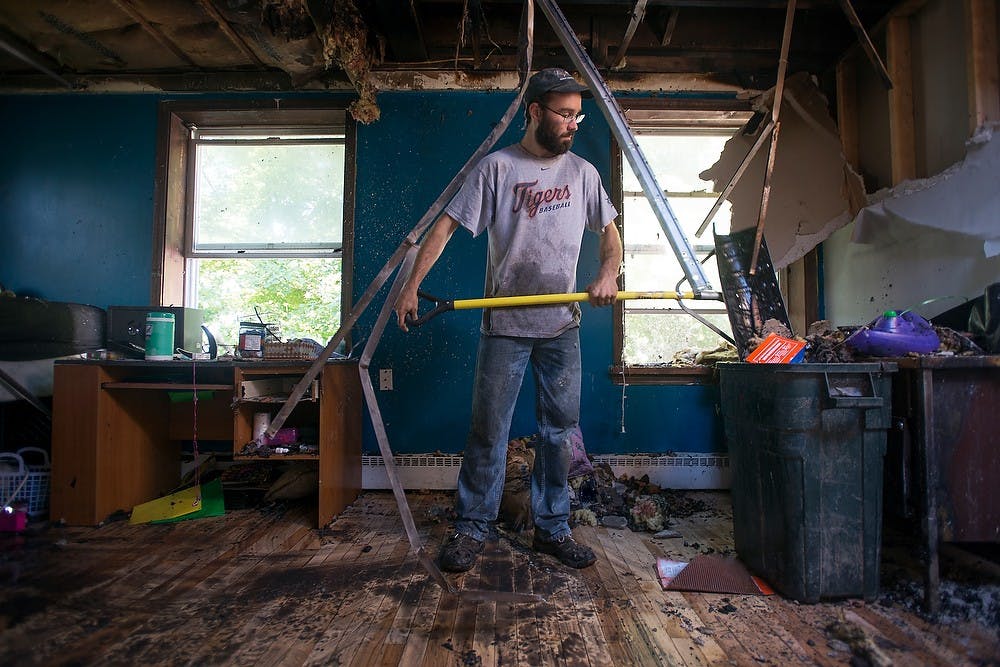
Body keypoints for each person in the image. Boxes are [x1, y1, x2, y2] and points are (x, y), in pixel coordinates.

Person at [394, 67, 623, 572]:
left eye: (577, 115)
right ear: (535, 112)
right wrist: (411, 285)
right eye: (564, 114)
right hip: (504, 326)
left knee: (559, 432)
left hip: (561, 324)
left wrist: (608, 273)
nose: (572, 124)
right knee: (488, 431)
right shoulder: (496, 169)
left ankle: (552, 528)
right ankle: (473, 527)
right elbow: (445, 228)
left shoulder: (583, 173)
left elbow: (611, 239)